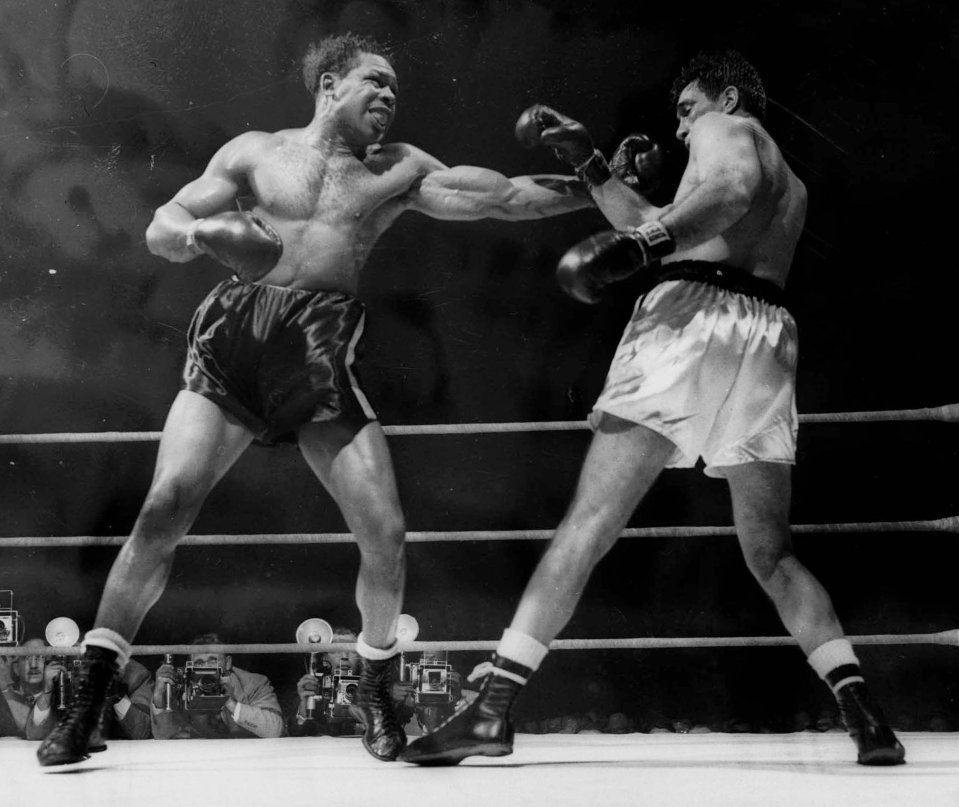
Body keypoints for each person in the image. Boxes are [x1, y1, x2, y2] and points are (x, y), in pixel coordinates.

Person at [36, 32, 590, 768]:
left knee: (385, 535)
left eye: (396, 88)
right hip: (233, 346)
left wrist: (597, 182)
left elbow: (508, 200)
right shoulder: (255, 153)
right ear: (329, 85)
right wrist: (205, 231)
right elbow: (161, 223)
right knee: (164, 506)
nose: (390, 97)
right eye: (375, 82)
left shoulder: (396, 172)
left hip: (317, 357)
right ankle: (87, 698)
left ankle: (374, 681)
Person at [401, 50, 905, 767]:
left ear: (726, 95)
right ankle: (864, 712)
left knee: (588, 521)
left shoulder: (728, 130)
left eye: (686, 107)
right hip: (765, 340)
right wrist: (592, 170)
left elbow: (716, 197)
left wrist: (643, 244)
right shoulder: (788, 182)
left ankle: (492, 709)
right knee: (770, 551)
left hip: (688, 324)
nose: (679, 123)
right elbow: (686, 221)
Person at [151, 633, 283, 739]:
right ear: (190, 666)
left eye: (213, 660)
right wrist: (158, 696)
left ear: (227, 663)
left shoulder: (254, 683)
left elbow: (275, 730)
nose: (207, 668)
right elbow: (163, 735)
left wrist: (232, 704)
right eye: (199, 663)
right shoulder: (182, 683)